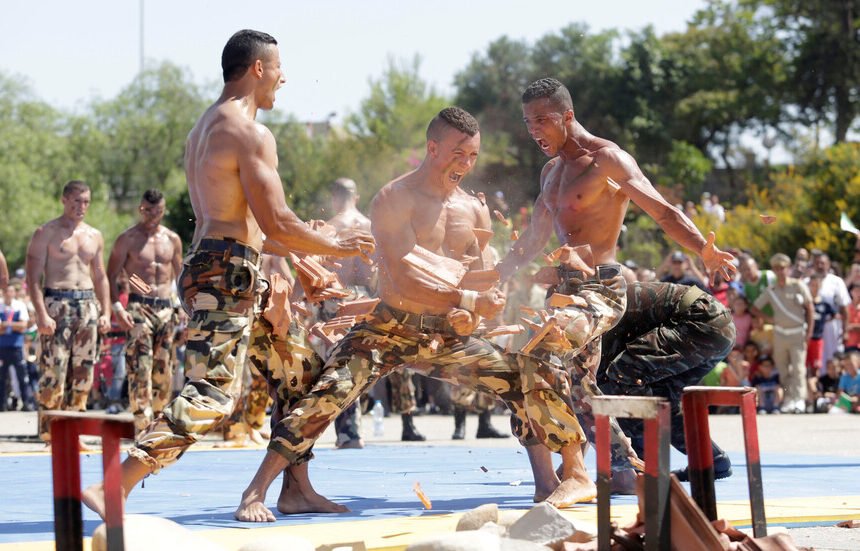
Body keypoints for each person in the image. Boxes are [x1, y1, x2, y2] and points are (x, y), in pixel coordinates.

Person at [235, 106, 597, 522]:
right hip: (389, 328)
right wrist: (465, 301)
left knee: (528, 375)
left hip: (447, 336)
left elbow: (477, 276)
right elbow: (405, 274)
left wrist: (487, 301)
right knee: (328, 392)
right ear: (432, 148)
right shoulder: (394, 197)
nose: (466, 164)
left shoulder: (474, 210)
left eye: (473, 156)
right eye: (459, 153)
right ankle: (256, 491)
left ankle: (559, 477)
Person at [82, 29, 374, 520]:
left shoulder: (205, 127)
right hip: (226, 274)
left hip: (230, 269)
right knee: (215, 393)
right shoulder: (249, 132)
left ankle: (296, 488)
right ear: (258, 68)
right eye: (279, 68)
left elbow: (259, 227)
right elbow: (276, 222)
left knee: (301, 374)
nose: (284, 78)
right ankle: (116, 483)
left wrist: (304, 252)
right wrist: (336, 244)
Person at [493, 77, 735, 485]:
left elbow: (662, 211)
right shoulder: (551, 172)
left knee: (560, 361)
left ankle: (616, 463)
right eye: (527, 122)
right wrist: (494, 276)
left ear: (567, 116)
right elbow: (534, 237)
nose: (534, 130)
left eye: (542, 120)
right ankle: (604, 464)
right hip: (565, 292)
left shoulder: (608, 160)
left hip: (600, 288)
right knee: (549, 370)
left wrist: (703, 250)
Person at [594, 281, 736, 482]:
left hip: (698, 320)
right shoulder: (598, 304)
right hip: (717, 327)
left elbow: (596, 387)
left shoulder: (597, 312)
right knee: (662, 400)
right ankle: (711, 460)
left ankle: (642, 463)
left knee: (623, 374)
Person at [25, 180, 112, 443]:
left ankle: (75, 432)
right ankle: (50, 432)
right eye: (76, 201)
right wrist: (41, 314)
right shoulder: (46, 232)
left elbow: (100, 276)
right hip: (56, 303)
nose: (81, 206)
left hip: (87, 305)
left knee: (84, 372)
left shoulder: (94, 235)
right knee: (55, 370)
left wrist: (105, 311)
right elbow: (32, 278)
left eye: (86, 201)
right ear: (64, 200)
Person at [106, 190, 183, 435]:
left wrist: (182, 306)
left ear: (164, 209)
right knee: (140, 368)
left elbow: (180, 276)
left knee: (164, 371)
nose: (153, 216)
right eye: (148, 210)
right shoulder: (127, 239)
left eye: (158, 211)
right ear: (141, 208)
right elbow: (111, 275)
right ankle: (142, 427)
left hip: (166, 307)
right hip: (139, 307)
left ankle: (159, 425)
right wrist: (117, 307)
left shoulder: (172, 239)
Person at [750, 253, 814, 414]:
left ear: (788, 268)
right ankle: (788, 399)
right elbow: (755, 308)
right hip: (780, 333)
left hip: (798, 332)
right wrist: (770, 319)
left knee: (799, 368)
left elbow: (810, 308)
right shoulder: (771, 290)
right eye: (776, 268)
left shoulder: (798, 285)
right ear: (773, 270)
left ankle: (799, 399)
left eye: (783, 268)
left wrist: (810, 332)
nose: (780, 271)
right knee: (782, 368)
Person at [805, 253, 849, 367]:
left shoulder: (837, 282)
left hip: (831, 326)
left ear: (828, 265)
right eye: (817, 263)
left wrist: (846, 331)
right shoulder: (806, 282)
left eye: (823, 263)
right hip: (812, 328)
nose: (820, 266)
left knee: (833, 358)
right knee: (814, 362)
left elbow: (844, 308)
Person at [0, 280, 34, 411]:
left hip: (16, 346)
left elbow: (23, 326)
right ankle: (2, 405)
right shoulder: (0, 306)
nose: (9, 293)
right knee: (2, 378)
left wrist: (7, 324)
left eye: (11, 291)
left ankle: (27, 403)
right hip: (2, 347)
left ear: (14, 293)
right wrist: (15, 325)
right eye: (6, 291)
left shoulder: (20, 306)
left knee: (22, 377)